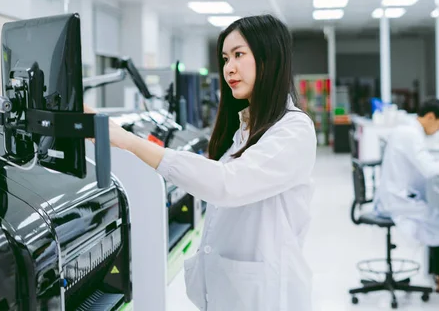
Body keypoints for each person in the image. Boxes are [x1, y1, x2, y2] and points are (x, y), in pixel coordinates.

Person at [86, 15, 317, 311]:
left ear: (269, 58)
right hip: (233, 293)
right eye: (225, 58)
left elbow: (227, 183)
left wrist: (129, 141)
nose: (228, 68)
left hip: (267, 296)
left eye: (238, 55)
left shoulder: (293, 130)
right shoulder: (245, 128)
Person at [373, 99, 439, 293]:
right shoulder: (410, 134)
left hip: (398, 197)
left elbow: (423, 160)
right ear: (430, 117)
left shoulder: (409, 131)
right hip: (397, 201)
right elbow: (428, 169)